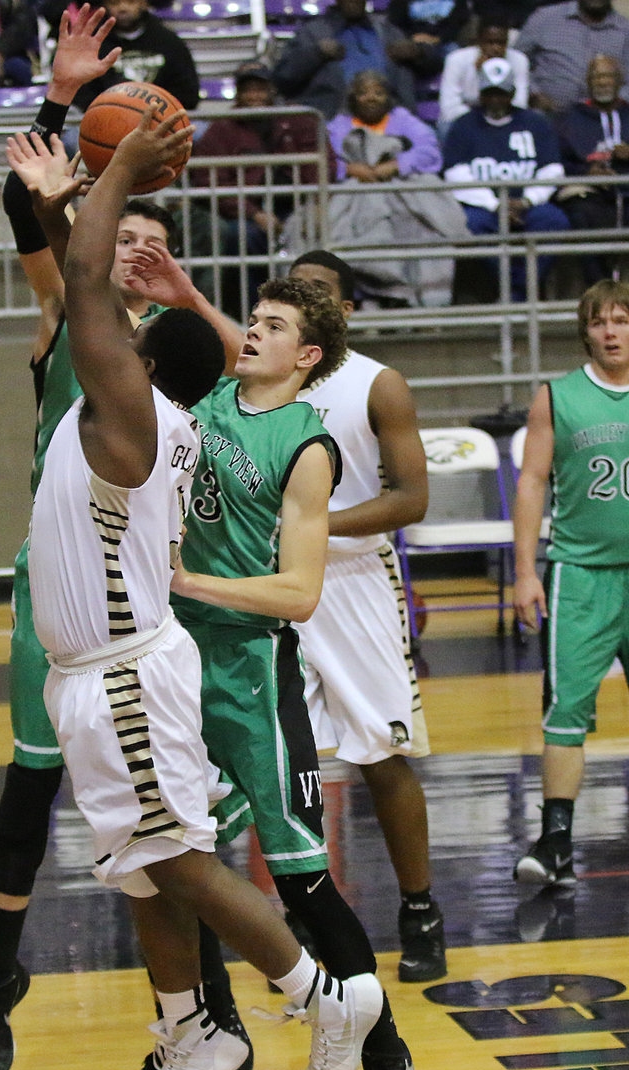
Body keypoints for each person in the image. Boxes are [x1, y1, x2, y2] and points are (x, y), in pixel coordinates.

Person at [23, 105, 385, 1070]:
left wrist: (119, 176)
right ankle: (192, 1029)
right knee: (141, 867)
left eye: (128, 339)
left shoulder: (126, 421)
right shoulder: (135, 408)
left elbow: (92, 295)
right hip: (97, 671)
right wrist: (63, 212)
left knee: (175, 859)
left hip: (124, 673)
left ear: (136, 367)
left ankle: (323, 994)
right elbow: (83, 293)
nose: (111, 333)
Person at [0, 4, 248, 1070]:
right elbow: (26, 218)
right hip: (60, 597)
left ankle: (207, 1009)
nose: (131, 250)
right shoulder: (64, 325)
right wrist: (64, 97)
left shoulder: (175, 358)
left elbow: (264, 374)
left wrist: (185, 290)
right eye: (117, 237)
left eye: (149, 242)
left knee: (173, 821)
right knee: (31, 794)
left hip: (150, 607)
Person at [116, 244, 424, 1070]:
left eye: (275, 326)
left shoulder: (309, 445)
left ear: (310, 359)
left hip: (253, 667)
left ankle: (389, 1062)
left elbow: (299, 593)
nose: (253, 332)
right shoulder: (207, 400)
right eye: (251, 320)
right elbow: (216, 341)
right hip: (178, 666)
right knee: (166, 863)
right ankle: (207, 1031)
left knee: (303, 885)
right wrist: (179, 293)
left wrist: (190, 582)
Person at [284, 248, 445, 983]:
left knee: (384, 753)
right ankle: (311, 918)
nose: (303, 301)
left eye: (318, 292)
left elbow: (411, 498)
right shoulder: (257, 381)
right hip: (280, 584)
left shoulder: (378, 382)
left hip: (353, 581)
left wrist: (317, 525)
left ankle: (419, 910)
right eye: (293, 292)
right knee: (288, 765)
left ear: (346, 311)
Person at [512, 277, 629, 888]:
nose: (611, 332)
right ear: (585, 330)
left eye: (621, 319)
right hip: (580, 574)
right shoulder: (557, 396)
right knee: (566, 714)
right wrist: (526, 570)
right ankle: (555, 842)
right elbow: (532, 483)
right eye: (599, 321)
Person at [188, 58, 330, 315]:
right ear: (238, 93)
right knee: (241, 236)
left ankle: (311, 313)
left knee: (315, 231)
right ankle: (254, 311)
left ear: (272, 90)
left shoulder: (298, 119)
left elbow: (323, 165)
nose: (254, 95)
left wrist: (316, 202)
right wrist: (254, 213)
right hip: (248, 212)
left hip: (298, 204)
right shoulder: (221, 129)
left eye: (260, 88)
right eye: (248, 89)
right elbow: (209, 181)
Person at [323, 70, 468, 309]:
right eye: (364, 93)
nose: (371, 98)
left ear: (388, 97)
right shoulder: (337, 127)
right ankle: (372, 294)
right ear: (353, 98)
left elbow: (429, 151)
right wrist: (349, 169)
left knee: (424, 227)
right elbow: (324, 161)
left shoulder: (403, 120)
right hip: (355, 194)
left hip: (401, 191)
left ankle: (424, 303)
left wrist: (396, 164)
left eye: (378, 93)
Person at [443, 56, 570, 303]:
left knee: (555, 220)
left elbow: (552, 169)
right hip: (483, 207)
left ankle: (520, 291)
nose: (495, 99)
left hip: (528, 204)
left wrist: (526, 201)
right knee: (470, 225)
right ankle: (513, 287)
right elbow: (454, 173)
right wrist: (496, 205)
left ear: (512, 93)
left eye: (501, 93)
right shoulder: (464, 126)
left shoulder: (535, 123)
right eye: (489, 93)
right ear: (480, 94)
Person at [271, 0, 417, 121]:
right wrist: (316, 53)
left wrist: (421, 52)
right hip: (331, 122)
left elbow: (432, 63)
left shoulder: (389, 32)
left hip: (390, 122)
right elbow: (283, 78)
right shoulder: (312, 32)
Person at [554, 54, 629, 282]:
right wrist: (586, 173)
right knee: (579, 213)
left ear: (619, 80)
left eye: (608, 76)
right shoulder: (569, 118)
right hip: (589, 192)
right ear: (587, 82)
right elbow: (557, 162)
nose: (602, 82)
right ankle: (599, 285)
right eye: (596, 77)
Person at [64, 0, 200, 112]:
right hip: (105, 118)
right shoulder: (93, 42)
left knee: (203, 133)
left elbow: (188, 93)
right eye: (115, 3)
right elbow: (82, 93)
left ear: (144, 3)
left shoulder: (169, 41)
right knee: (72, 138)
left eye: (130, 2)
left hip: (161, 118)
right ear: (105, 5)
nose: (122, 8)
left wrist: (154, 108)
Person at [516, 0, 629, 115]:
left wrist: (612, 103)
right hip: (546, 117)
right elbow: (516, 60)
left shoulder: (625, 30)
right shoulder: (545, 18)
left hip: (601, 122)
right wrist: (533, 92)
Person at [438, 12, 530, 131]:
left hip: (504, 118)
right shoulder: (456, 59)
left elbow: (520, 104)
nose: (496, 48)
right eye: (490, 42)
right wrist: (480, 74)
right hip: (466, 120)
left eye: (501, 43)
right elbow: (449, 109)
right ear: (479, 41)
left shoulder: (519, 60)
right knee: (445, 126)